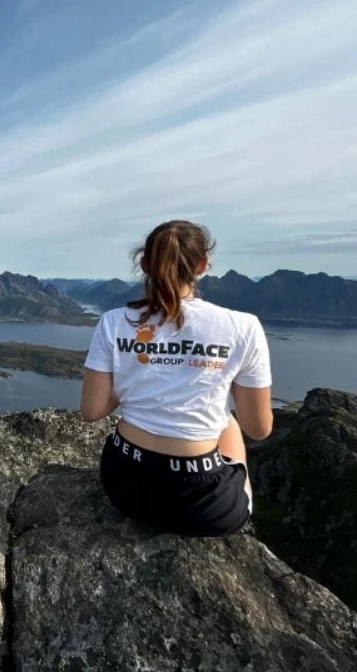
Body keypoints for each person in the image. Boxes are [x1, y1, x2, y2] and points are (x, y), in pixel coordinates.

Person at [80, 220, 273, 537]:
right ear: (202, 266)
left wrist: (133, 374)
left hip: (125, 484)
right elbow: (259, 428)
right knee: (227, 420)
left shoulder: (113, 322)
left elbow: (92, 410)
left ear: (145, 265)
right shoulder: (243, 327)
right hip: (202, 505)